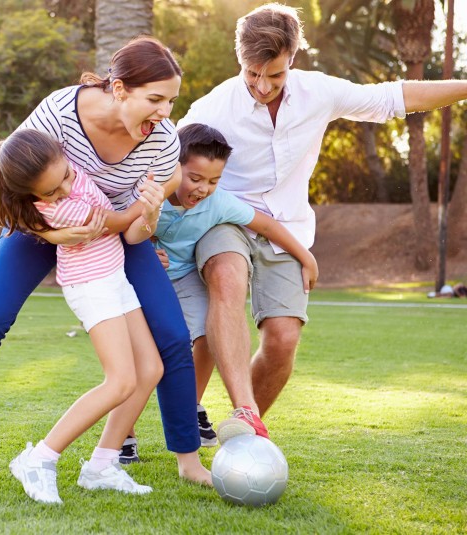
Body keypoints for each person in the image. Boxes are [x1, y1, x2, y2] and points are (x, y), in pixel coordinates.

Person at [0, 36, 213, 489]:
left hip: (114, 230)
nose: (165, 114)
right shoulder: (61, 112)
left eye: (171, 101)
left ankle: (185, 459)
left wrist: (152, 208)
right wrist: (52, 234)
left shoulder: (160, 139)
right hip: (37, 226)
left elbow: (150, 205)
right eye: (155, 99)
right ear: (120, 89)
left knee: (172, 337)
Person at [176, 2, 467, 441]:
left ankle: (239, 431)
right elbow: (165, 164)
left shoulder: (319, 92)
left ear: (293, 57)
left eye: (273, 75)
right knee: (226, 278)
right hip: (226, 221)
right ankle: (240, 412)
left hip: (288, 229)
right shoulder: (212, 107)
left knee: (282, 341)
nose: (260, 85)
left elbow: (396, 97)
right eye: (251, 73)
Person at [0, 128, 163, 504]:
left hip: (115, 278)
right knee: (120, 381)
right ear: (33, 196)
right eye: (50, 192)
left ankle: (102, 465)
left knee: (150, 370)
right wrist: (151, 197)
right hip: (91, 285)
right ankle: (39, 458)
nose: (65, 189)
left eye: (66, 176)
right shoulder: (61, 208)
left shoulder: (69, 168)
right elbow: (115, 222)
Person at [152, 123, 317, 445]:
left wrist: (305, 257)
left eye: (213, 181)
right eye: (195, 179)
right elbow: (121, 230)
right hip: (148, 281)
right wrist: (144, 252)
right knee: (142, 357)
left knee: (207, 333)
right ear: (173, 167)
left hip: (184, 279)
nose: (203, 189)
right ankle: (123, 436)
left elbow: (266, 224)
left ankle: (190, 408)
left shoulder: (218, 203)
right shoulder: (151, 196)